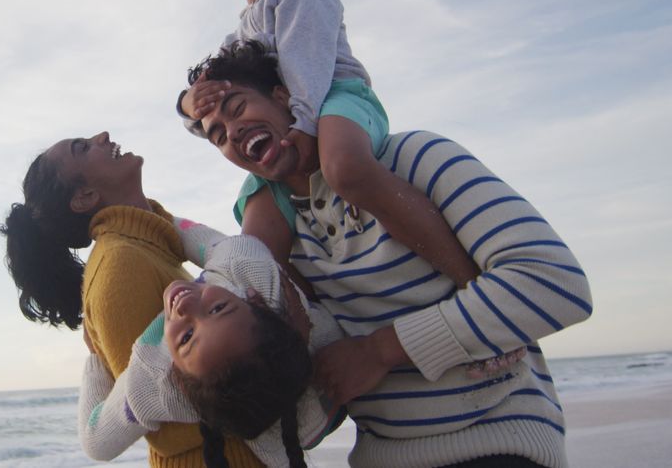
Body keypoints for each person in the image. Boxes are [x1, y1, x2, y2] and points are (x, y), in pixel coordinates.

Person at [187, 41, 593, 468]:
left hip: (499, 443)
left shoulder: (415, 159)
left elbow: (556, 285)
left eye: (236, 108)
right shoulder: (274, 239)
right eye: (217, 135)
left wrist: (380, 350)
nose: (230, 132)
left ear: (285, 97)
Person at [178, 0, 480, 288]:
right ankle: (296, 325)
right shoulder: (235, 38)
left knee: (343, 168)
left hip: (337, 95)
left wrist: (305, 121)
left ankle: (467, 277)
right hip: (290, 114)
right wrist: (188, 103)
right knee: (255, 229)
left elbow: (307, 57)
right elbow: (212, 102)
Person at [0, 132, 264, 467]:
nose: (102, 136)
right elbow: (163, 423)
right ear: (85, 197)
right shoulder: (120, 265)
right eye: (82, 147)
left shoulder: (151, 243)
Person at [78, 222, 346, 467]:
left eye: (186, 338)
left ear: (179, 381)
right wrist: (161, 220)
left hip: (290, 424)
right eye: (218, 308)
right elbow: (197, 236)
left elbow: (96, 440)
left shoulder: (154, 379)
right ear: (255, 302)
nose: (186, 306)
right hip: (323, 367)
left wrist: (94, 359)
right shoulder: (247, 266)